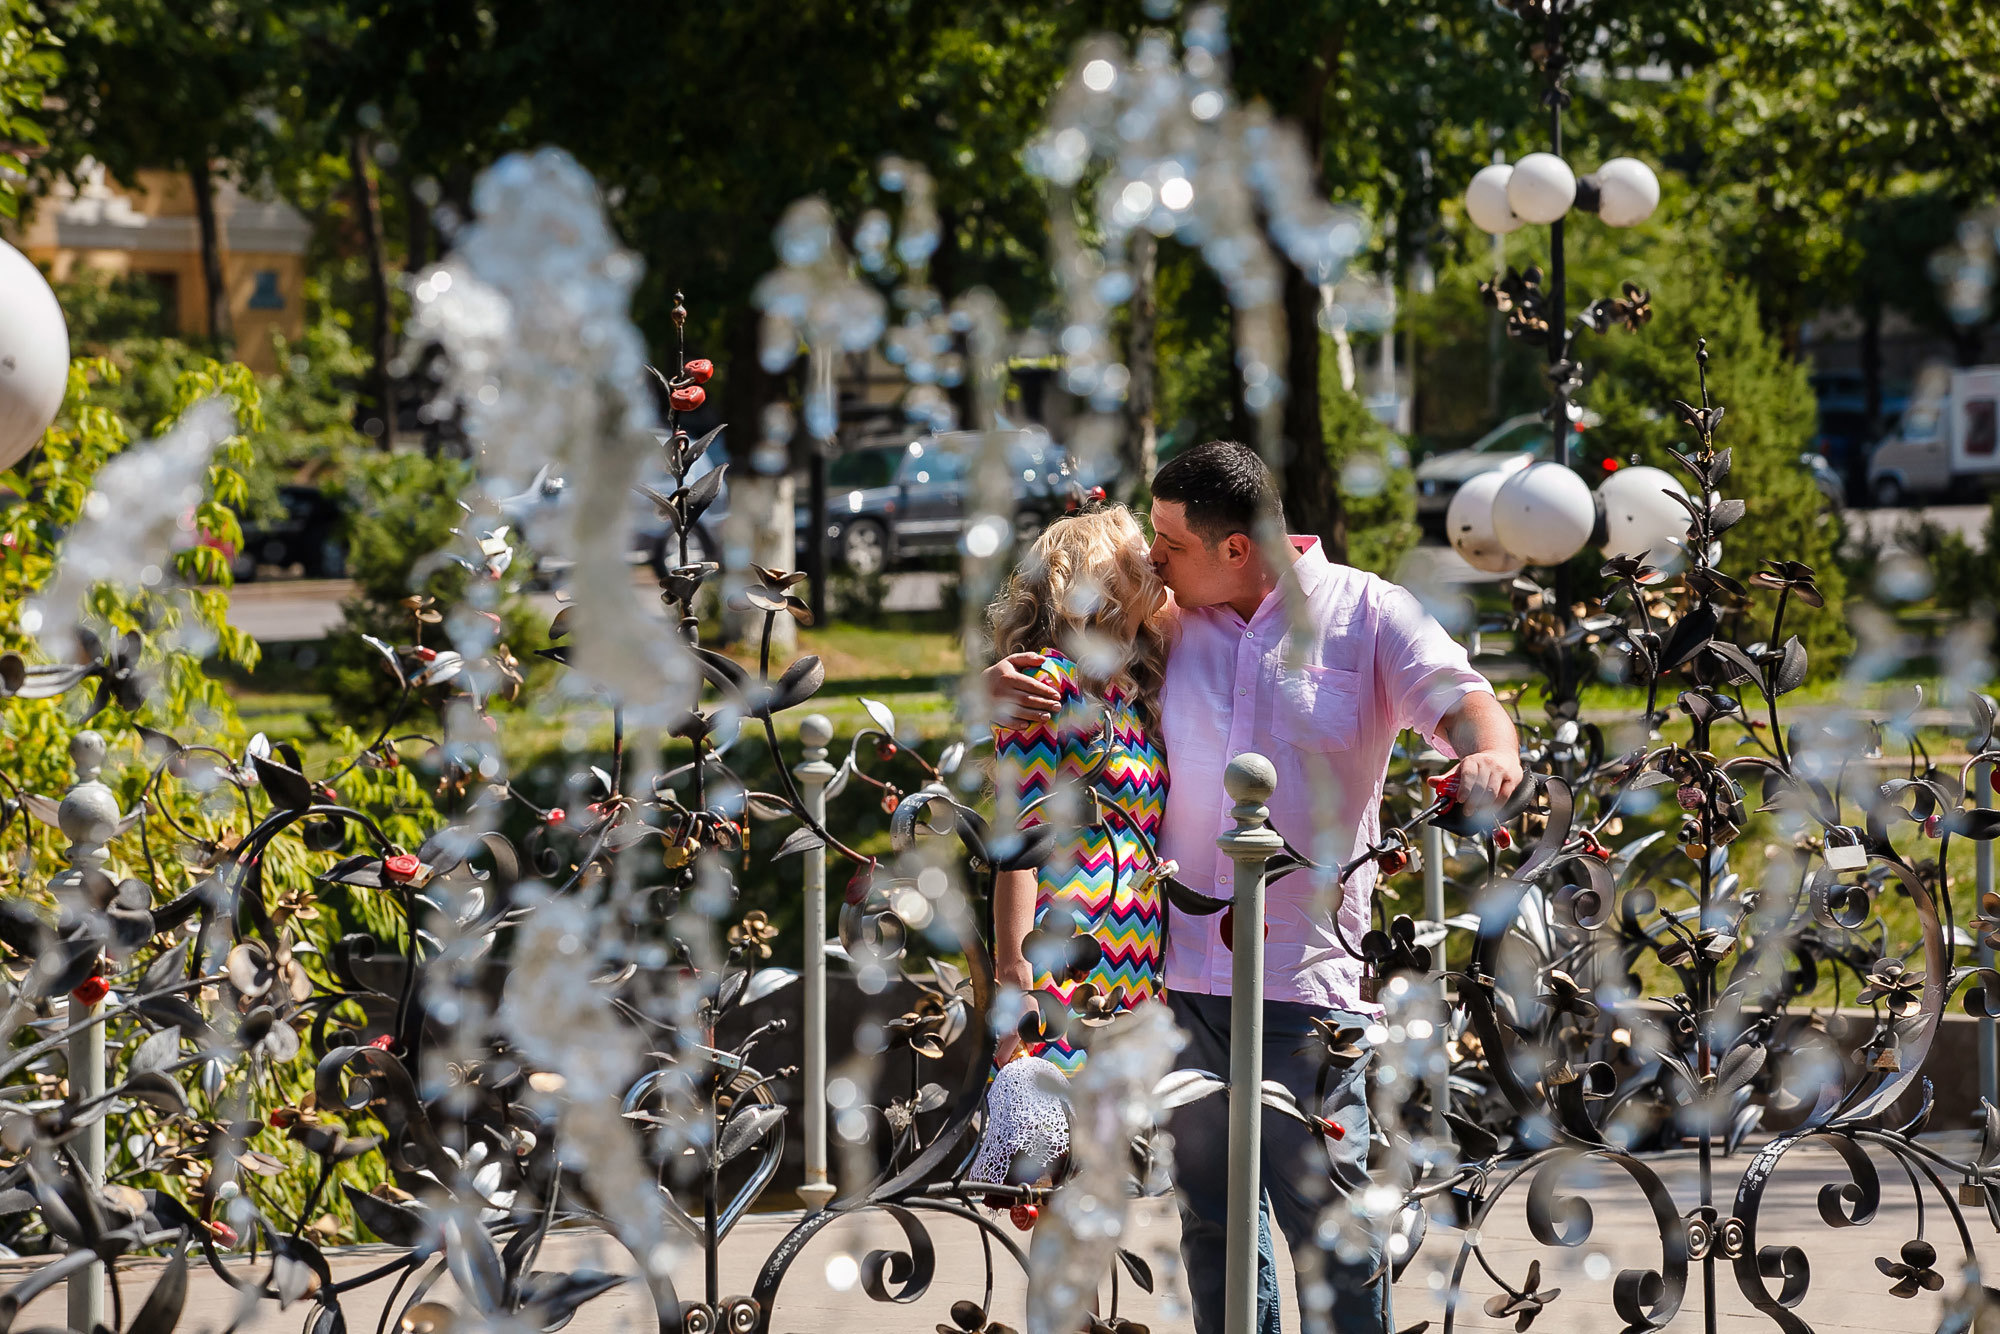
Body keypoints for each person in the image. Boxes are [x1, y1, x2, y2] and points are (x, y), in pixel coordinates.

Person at [986, 441, 1522, 1334]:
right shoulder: (1170, 618)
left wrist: (1491, 752)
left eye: (1168, 540)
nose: (1153, 558)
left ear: (1235, 547)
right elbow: (1067, 666)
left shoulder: (1369, 614)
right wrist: (997, 682)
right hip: (1177, 979)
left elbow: (1461, 696)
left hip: (1304, 984)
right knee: (1213, 1222)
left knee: (1329, 1225)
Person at [986, 503, 1174, 1074]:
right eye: (1141, 556)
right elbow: (1019, 835)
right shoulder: (1048, 683)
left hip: (1137, 961)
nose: (1157, 562)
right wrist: (1014, 975)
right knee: (1046, 1149)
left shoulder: (1131, 691)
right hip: (1062, 956)